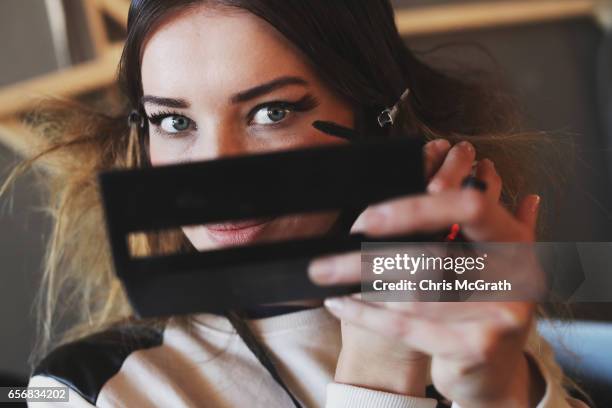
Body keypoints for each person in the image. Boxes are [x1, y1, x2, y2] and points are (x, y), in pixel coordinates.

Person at [7, 0, 585, 407]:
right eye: (175, 121)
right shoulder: (85, 390)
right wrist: (378, 376)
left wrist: (503, 394)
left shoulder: (471, 319)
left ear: (374, 118)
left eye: (272, 113)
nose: (217, 172)